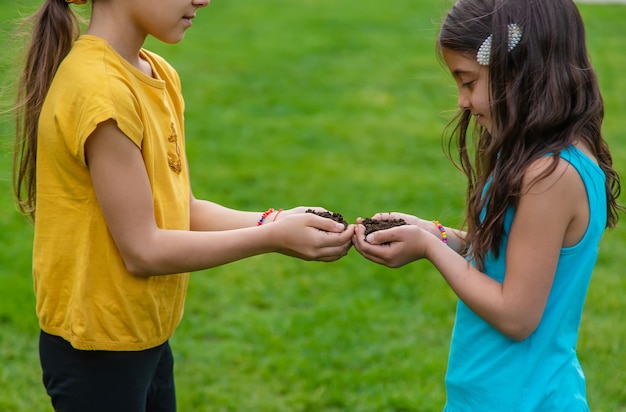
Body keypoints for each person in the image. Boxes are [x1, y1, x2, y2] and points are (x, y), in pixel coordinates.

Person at [10, 0, 354, 410]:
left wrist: (274, 220)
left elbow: (181, 209)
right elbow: (142, 250)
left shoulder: (156, 73)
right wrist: (273, 239)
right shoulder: (99, 91)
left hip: (145, 334)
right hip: (98, 349)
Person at [352, 0, 622, 410]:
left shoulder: (549, 176)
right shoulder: (539, 160)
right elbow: (504, 258)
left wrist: (427, 251)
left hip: (521, 399)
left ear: (519, 73)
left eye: (468, 81)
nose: (462, 101)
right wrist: (434, 234)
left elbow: (516, 315)